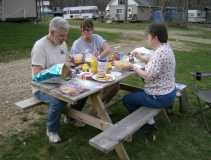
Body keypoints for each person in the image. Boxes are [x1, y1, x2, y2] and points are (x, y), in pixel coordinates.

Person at [31, 17, 86, 143]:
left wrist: (71, 63)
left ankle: (71, 117)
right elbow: (36, 76)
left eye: (65, 36)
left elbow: (64, 63)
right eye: (61, 36)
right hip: (41, 87)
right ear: (51, 32)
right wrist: (56, 70)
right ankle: (51, 130)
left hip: (61, 82)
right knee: (59, 99)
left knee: (85, 89)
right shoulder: (40, 46)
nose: (64, 39)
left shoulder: (62, 44)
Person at [123, 23, 176, 130]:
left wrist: (133, 66)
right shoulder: (165, 48)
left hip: (159, 97)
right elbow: (153, 62)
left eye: (148, 37)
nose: (147, 39)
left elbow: (147, 76)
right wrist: (139, 57)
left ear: (155, 37)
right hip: (169, 91)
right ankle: (147, 118)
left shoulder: (159, 53)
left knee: (127, 99)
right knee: (136, 94)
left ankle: (147, 125)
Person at [71, 19, 119, 104]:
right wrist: (85, 60)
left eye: (88, 30)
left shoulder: (96, 38)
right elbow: (74, 62)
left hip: (99, 70)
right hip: (86, 73)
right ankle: (98, 108)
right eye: (83, 30)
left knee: (115, 85)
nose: (86, 32)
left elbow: (108, 49)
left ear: (92, 29)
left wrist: (98, 57)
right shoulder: (77, 44)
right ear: (81, 30)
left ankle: (102, 104)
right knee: (92, 88)